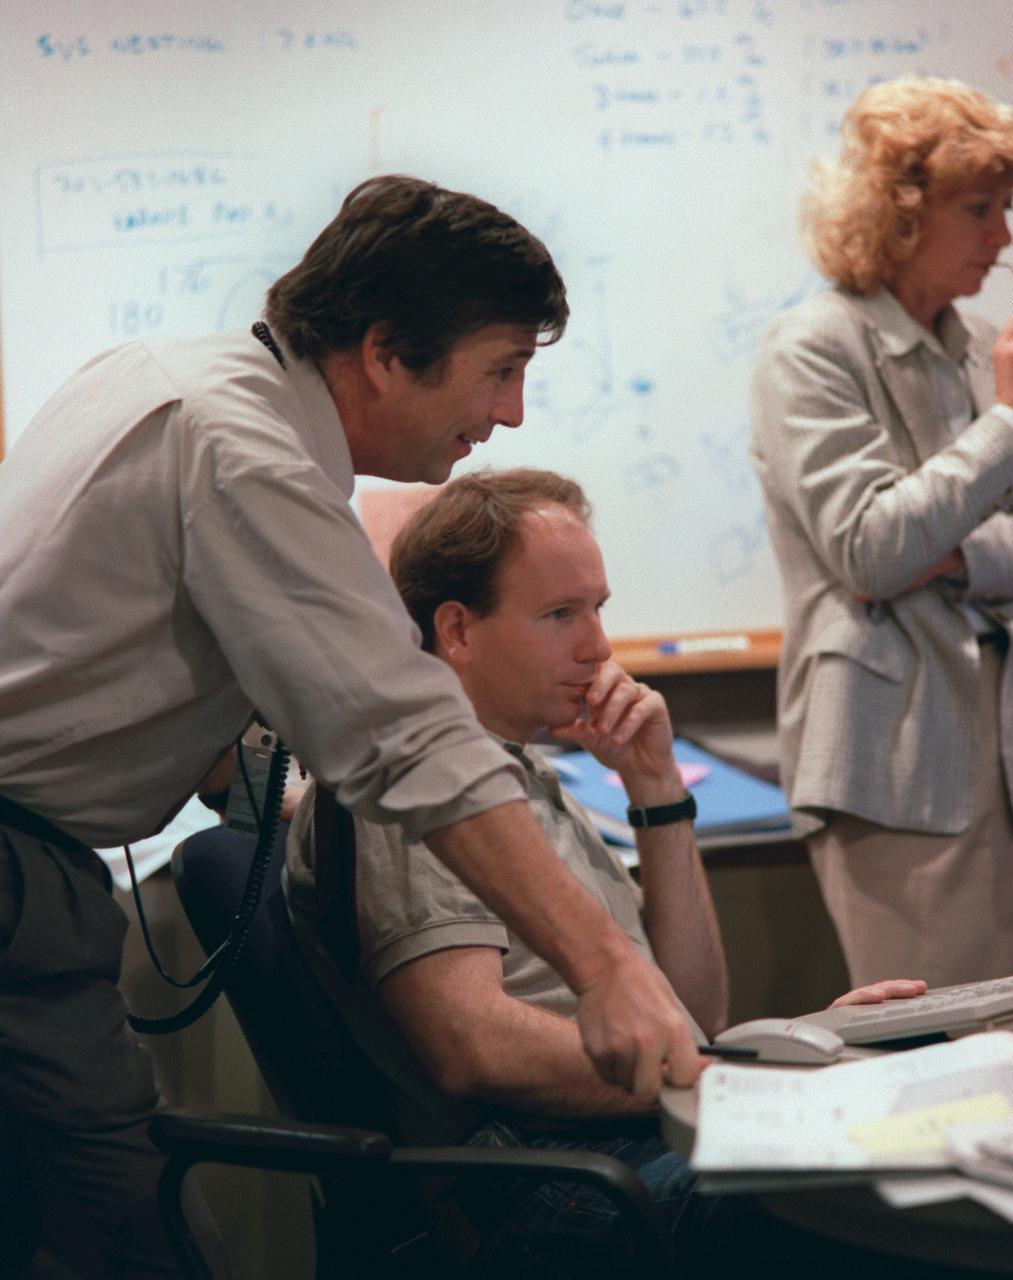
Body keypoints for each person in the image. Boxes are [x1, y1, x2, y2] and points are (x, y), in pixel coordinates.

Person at [0, 176, 699, 1278]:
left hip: (37, 866)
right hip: (17, 874)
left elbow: (122, 668)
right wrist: (607, 964)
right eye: (499, 368)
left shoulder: (161, 377)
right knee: (130, 1240)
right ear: (383, 352)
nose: (510, 411)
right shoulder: (247, 456)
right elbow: (405, 735)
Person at [284, 467, 926, 1272]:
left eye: (597, 609)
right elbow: (473, 1044)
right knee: (885, 1200)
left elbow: (688, 1011)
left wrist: (654, 790)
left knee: (919, 1141)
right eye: (559, 614)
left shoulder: (524, 776)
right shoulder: (414, 791)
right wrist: (739, 1073)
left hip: (627, 1144)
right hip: (551, 1182)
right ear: (457, 630)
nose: (597, 646)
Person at [750, 77, 1013, 990]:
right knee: (935, 1047)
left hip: (1007, 750)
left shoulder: (982, 349)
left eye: (1005, 207)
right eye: (979, 208)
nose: (1003, 236)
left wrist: (952, 553)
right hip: (890, 758)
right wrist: (1009, 428)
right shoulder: (810, 345)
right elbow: (867, 551)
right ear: (896, 213)